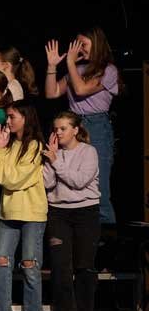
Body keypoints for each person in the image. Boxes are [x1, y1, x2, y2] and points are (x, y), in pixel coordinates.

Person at [0, 103, 47, 311]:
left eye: (12, 117)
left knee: (29, 264)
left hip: (31, 213)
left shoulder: (35, 147)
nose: (7, 121)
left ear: (25, 118)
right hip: (8, 213)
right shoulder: (10, 146)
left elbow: (14, 179)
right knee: (1, 263)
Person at [45, 27, 120, 224]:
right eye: (77, 44)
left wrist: (70, 62)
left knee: (99, 187)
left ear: (97, 43)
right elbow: (52, 92)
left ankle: (108, 235)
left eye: (83, 44)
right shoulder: (76, 70)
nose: (79, 49)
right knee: (68, 180)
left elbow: (80, 89)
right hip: (73, 125)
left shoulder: (108, 70)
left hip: (96, 125)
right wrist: (52, 66)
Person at [43, 111, 100, 311]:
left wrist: (56, 162)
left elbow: (79, 182)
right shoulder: (54, 154)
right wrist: (51, 159)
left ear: (75, 130)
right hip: (58, 213)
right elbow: (47, 183)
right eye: (56, 129)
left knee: (84, 266)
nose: (58, 132)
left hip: (85, 212)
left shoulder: (88, 152)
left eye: (63, 128)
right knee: (60, 267)